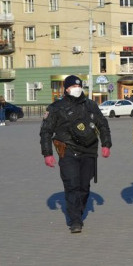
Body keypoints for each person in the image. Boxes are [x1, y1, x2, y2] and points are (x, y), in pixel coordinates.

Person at [39, 75, 112, 233]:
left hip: (88, 152)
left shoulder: (91, 105)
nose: (76, 89)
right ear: (66, 89)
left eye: (79, 86)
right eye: (73, 87)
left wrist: (106, 144)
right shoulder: (56, 107)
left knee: (84, 186)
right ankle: (75, 220)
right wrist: (47, 154)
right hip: (68, 151)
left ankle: (78, 212)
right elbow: (46, 131)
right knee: (72, 185)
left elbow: (103, 124)